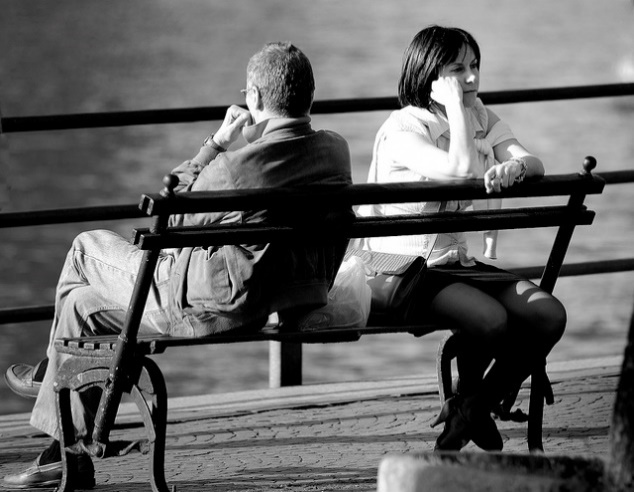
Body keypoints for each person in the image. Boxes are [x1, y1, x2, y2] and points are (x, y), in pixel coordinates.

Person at [3, 41, 352, 488]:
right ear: (309, 95)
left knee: (84, 248)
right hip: (277, 299)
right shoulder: (334, 151)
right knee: (84, 304)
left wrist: (217, 143)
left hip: (209, 304)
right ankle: (62, 451)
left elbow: (169, 214)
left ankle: (53, 379)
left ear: (255, 98)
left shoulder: (238, 166)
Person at [358, 25, 567, 452]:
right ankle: (472, 402)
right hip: (403, 271)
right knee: (491, 320)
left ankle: (471, 407)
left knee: (548, 314)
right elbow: (460, 170)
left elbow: (533, 160)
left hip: (455, 265)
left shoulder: (479, 116)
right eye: (458, 69)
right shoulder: (402, 130)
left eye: (475, 66)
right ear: (428, 76)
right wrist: (455, 106)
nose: (471, 78)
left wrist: (517, 168)